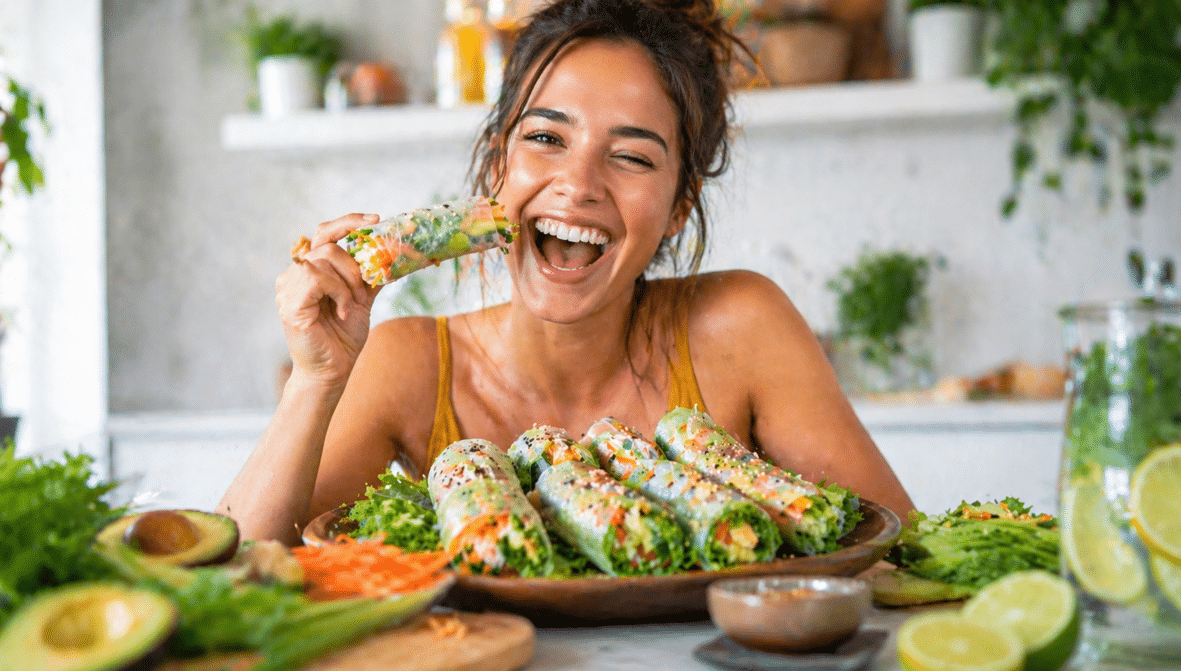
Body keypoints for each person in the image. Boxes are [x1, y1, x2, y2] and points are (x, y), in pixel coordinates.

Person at [218, 0, 916, 545]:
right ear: (499, 164)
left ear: (679, 206)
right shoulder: (409, 363)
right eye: (546, 138)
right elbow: (242, 569)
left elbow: (896, 548)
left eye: (632, 156)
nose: (578, 185)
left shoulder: (741, 328)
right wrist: (315, 380)